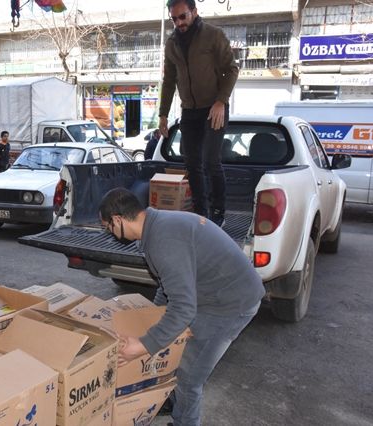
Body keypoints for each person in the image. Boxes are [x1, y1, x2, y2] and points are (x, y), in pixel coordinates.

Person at [99, 188, 264, 426]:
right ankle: (172, 400)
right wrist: (150, 320)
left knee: (189, 376)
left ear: (117, 220)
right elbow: (168, 288)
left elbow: (184, 308)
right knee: (173, 345)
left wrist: (143, 345)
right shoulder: (155, 227)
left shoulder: (164, 240)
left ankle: (185, 421)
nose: (110, 233)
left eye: (108, 228)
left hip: (230, 303)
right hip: (211, 292)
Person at [158, 0, 239, 227]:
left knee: (211, 160)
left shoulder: (213, 35)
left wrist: (221, 101)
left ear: (194, 11)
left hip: (214, 108)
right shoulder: (171, 44)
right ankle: (201, 213)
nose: (179, 22)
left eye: (182, 16)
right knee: (192, 164)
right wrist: (163, 115)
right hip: (189, 111)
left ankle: (218, 212)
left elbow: (232, 69)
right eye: (174, 19)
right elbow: (169, 81)